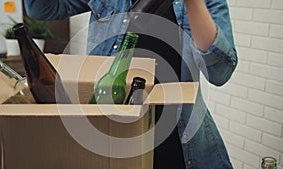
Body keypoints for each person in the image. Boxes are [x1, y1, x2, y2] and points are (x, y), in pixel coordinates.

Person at [24, 0, 238, 168]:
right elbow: (41, 9)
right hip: (110, 130)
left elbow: (220, 72)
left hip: (177, 138)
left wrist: (194, 2)